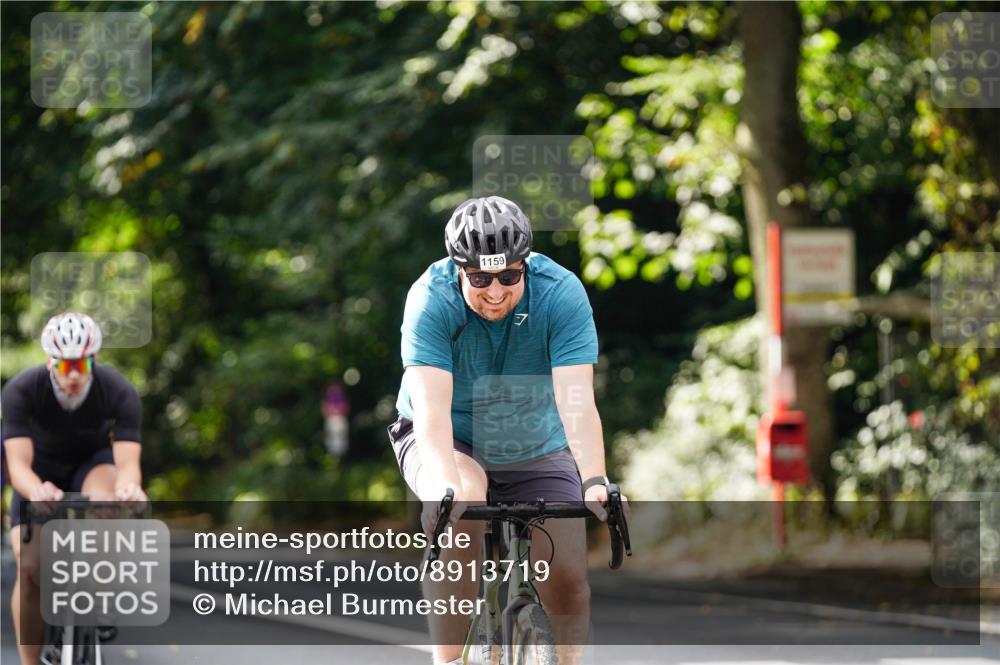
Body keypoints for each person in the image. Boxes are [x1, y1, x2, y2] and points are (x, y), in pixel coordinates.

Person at [388, 195, 623, 665]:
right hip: (449, 435)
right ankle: (449, 659)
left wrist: (595, 479)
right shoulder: (430, 298)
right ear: (459, 271)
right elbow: (432, 412)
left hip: (534, 439)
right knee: (463, 501)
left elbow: (576, 400)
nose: (494, 291)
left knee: (568, 577)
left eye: (508, 277)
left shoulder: (560, 292)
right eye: (479, 279)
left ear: (525, 265)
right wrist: (443, 487)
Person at [2, 312, 146, 665]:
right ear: (51, 363)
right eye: (66, 367)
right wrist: (36, 490)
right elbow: (17, 465)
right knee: (31, 569)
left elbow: (127, 464)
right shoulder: (21, 390)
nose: (76, 375)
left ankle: (101, 593)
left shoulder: (118, 390)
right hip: (38, 473)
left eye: (83, 364)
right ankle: (30, 661)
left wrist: (129, 489)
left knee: (110, 505)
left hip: (90, 464)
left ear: (94, 359)